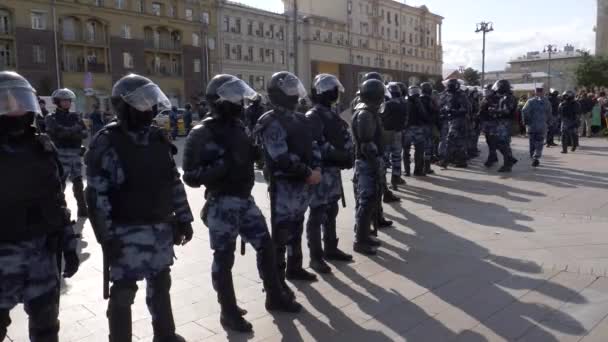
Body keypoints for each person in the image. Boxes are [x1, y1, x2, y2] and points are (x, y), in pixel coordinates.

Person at [182, 74, 301, 333]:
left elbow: (248, 154)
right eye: (235, 99)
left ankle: (274, 294)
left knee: (266, 247)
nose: (240, 104)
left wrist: (255, 155)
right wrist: (223, 166)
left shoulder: (239, 127)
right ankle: (228, 311)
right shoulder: (201, 133)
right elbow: (190, 176)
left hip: (245, 201)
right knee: (224, 260)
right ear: (220, 101)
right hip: (221, 203)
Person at [85, 74, 194, 342]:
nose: (149, 108)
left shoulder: (157, 138)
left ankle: (165, 335)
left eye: (150, 102)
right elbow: (97, 196)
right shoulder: (106, 142)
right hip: (125, 232)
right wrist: (106, 238)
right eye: (142, 103)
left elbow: (173, 181)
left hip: (159, 227)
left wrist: (184, 217)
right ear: (124, 106)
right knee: (123, 292)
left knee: (161, 284)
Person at [0, 71, 80, 342]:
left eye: (20, 102)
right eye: (7, 103)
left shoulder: (42, 148)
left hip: (42, 257)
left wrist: (69, 244)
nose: (16, 110)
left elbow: (57, 200)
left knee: (46, 328)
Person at [254, 71, 322, 293]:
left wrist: (317, 167)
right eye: (290, 91)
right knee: (281, 234)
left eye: (295, 90)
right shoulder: (270, 122)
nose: (294, 95)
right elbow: (280, 157)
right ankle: (277, 280)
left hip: (302, 184)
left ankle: (295, 268)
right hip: (283, 186)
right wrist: (307, 173)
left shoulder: (300, 118)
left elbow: (312, 146)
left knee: (297, 227)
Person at [305, 74, 354, 274]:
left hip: (332, 171)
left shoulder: (331, 113)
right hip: (320, 171)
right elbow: (313, 143)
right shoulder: (313, 115)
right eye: (332, 90)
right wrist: (336, 153)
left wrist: (347, 154)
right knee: (317, 214)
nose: (335, 94)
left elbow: (342, 134)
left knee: (331, 210)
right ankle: (316, 257)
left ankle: (331, 248)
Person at [351, 79, 387, 256]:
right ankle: (360, 240)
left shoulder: (369, 111)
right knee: (366, 201)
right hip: (367, 163)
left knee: (371, 200)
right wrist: (376, 167)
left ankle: (365, 236)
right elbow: (367, 145)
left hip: (370, 162)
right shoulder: (365, 114)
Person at [45, 88, 89, 217]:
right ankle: (60, 208)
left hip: (75, 153)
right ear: (57, 102)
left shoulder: (75, 116)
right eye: (63, 100)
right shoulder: (51, 117)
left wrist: (69, 132)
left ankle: (82, 208)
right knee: (60, 182)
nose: (67, 103)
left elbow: (85, 133)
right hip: (60, 153)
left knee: (78, 181)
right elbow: (58, 133)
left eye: (68, 101)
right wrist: (75, 131)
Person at [479, 80, 518, 172]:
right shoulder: (501, 97)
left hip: (503, 123)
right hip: (499, 123)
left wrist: (493, 110)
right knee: (497, 142)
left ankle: (508, 162)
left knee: (502, 143)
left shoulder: (508, 97)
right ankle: (508, 159)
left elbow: (506, 111)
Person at [438, 79, 470, 168]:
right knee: (458, 142)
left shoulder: (461, 95)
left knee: (450, 140)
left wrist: (452, 111)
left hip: (459, 120)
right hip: (450, 120)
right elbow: (442, 105)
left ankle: (445, 161)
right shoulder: (448, 94)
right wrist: (443, 110)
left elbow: (465, 109)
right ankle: (461, 161)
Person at [383, 82, 407, 187]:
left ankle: (383, 181)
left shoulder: (386, 105)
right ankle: (395, 179)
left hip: (387, 133)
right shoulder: (403, 104)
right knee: (397, 157)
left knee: (385, 158)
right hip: (398, 132)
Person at [403, 85, 430, 176]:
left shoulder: (405, 101)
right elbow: (424, 115)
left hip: (407, 129)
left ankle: (407, 171)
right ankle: (418, 170)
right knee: (419, 150)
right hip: (418, 128)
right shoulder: (420, 101)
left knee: (406, 151)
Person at [522, 87, 552, 167]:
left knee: (532, 142)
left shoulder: (530, 101)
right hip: (541, 125)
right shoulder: (546, 102)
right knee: (539, 142)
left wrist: (526, 121)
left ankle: (533, 156)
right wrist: (549, 122)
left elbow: (524, 111)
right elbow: (549, 113)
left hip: (532, 126)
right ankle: (536, 157)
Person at [419, 82, 438, 175]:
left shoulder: (417, 98)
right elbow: (435, 111)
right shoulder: (430, 99)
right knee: (428, 147)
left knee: (420, 147)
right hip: (428, 125)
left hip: (419, 126)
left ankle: (419, 167)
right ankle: (426, 167)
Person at [467, 87, 482, 158]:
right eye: (475, 92)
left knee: (475, 136)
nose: (476, 94)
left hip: (476, 120)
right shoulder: (470, 100)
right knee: (471, 137)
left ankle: (473, 150)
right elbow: (469, 111)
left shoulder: (476, 100)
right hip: (471, 120)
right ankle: (470, 151)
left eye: (477, 92)